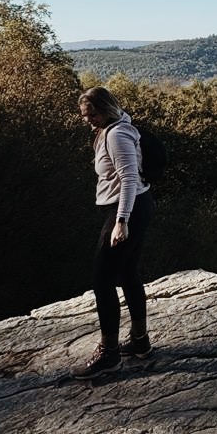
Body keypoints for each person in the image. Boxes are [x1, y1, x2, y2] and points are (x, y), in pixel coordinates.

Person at [75, 86, 154, 376]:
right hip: (137, 206)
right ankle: (140, 341)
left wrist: (121, 221)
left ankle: (109, 353)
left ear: (106, 108)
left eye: (92, 114)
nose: (88, 120)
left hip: (127, 209)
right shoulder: (115, 127)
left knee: (102, 279)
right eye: (85, 115)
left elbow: (129, 178)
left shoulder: (117, 134)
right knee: (126, 273)